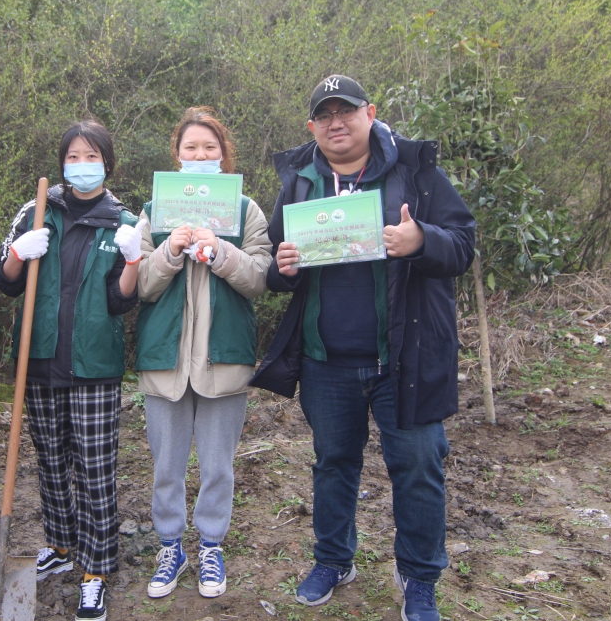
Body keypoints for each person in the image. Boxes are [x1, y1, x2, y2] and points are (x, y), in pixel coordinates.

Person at [251, 75, 475, 621]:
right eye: (324, 115)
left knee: (420, 466)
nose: (336, 123)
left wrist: (422, 240)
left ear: (370, 113)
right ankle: (333, 559)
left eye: (346, 111)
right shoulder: (301, 182)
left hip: (406, 359)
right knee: (332, 464)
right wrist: (283, 270)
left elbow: (463, 242)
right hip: (327, 360)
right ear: (312, 127)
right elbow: (282, 268)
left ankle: (419, 578)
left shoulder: (415, 172)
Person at [0, 120, 140, 621]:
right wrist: (18, 252)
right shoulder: (35, 211)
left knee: (96, 469)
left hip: (93, 363)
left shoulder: (122, 220)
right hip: (38, 358)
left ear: (107, 163)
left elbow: (123, 302)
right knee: (50, 460)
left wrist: (134, 260)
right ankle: (59, 545)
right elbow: (5, 283)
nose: (82, 165)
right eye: (73, 156)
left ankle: (96, 567)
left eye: (91, 156)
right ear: (62, 162)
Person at [135, 107, 272, 599]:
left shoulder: (246, 210)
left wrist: (221, 253)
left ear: (223, 155)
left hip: (224, 358)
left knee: (218, 465)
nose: (200, 155)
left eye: (209, 148)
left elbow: (261, 278)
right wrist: (168, 252)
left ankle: (211, 544)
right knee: (166, 465)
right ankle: (170, 545)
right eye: (191, 148)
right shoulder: (153, 210)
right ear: (177, 155)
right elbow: (140, 287)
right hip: (165, 361)